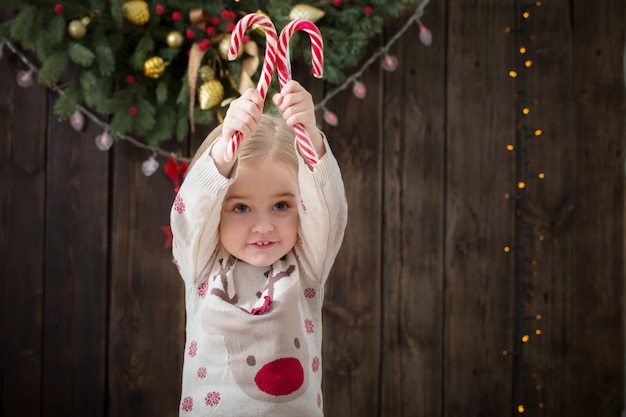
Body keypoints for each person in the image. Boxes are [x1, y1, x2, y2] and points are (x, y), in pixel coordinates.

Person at [170, 80, 348, 416]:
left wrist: (309, 138)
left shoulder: (307, 263)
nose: (263, 227)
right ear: (218, 208)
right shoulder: (202, 263)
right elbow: (190, 214)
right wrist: (225, 153)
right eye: (240, 208)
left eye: (281, 206)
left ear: (302, 204)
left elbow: (329, 210)